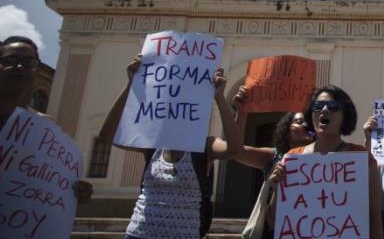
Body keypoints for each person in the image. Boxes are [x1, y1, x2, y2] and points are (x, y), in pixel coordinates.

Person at [99, 55, 243, 239]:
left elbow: (234, 149)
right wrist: (131, 85)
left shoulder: (204, 146)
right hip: (138, 234)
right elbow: (108, 135)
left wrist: (220, 98)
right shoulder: (154, 143)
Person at [269, 85, 384, 239]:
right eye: (317, 106)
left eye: (333, 106)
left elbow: (374, 218)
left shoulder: (363, 159)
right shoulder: (292, 158)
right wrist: (277, 190)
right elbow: (273, 221)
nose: (323, 110)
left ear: (345, 115)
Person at [0, 36, 93, 204]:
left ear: (36, 70)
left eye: (29, 62)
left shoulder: (46, 128)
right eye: (10, 60)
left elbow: (51, 180)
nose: (20, 67)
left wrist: (73, 192)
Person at [232, 87, 315, 239]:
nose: (305, 125)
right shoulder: (273, 157)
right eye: (299, 121)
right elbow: (236, 151)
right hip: (275, 229)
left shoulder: (321, 158)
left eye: (308, 123)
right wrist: (242, 113)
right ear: (287, 129)